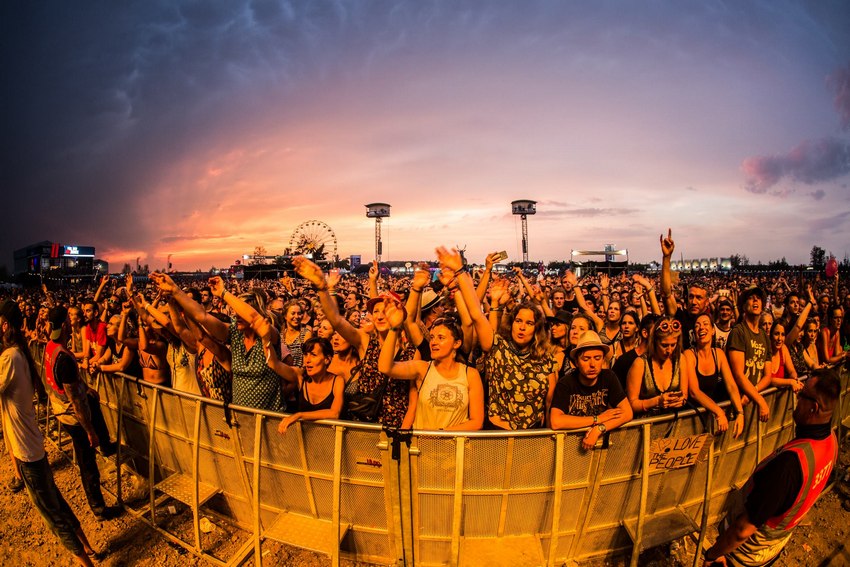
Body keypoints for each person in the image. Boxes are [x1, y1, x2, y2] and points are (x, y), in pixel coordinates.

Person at [702, 370, 840, 566]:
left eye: (802, 396)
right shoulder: (831, 443)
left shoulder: (790, 466)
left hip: (742, 554)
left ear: (814, 408)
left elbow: (743, 530)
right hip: (771, 550)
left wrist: (713, 554)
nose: (797, 397)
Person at [0, 300, 101, 566]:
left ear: (4, 324)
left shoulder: (10, 358)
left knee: (51, 513)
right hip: (32, 445)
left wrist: (90, 429)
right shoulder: (19, 353)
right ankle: (87, 548)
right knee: (56, 501)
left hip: (27, 450)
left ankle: (86, 561)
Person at [438, 246, 557, 430]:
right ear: (511, 324)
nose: (522, 327)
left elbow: (549, 405)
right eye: (518, 321)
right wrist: (460, 273)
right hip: (497, 433)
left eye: (529, 323)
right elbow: (476, 314)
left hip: (533, 435)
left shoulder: (545, 358)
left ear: (537, 329)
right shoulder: (498, 348)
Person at [43, 307, 120, 520]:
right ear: (66, 325)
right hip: (73, 417)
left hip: (60, 410)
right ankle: (99, 508)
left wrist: (85, 388)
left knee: (92, 399)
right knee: (88, 462)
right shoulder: (64, 358)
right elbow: (77, 403)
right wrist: (90, 431)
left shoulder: (50, 347)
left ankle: (106, 445)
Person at [378, 304, 484, 431]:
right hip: (422, 447)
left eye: (441, 338)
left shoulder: (470, 374)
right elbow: (385, 367)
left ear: (456, 343)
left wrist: (441, 434)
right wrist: (394, 328)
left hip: (455, 448)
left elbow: (477, 422)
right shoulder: (422, 369)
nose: (433, 342)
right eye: (432, 337)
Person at [549, 331, 633, 450]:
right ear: (577, 362)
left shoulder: (609, 377)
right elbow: (556, 421)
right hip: (569, 447)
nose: (592, 364)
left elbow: (627, 413)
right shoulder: (566, 383)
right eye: (586, 359)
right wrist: (597, 419)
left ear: (603, 360)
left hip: (597, 445)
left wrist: (599, 429)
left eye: (597, 358)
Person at [681, 313, 745, 438]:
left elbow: (731, 385)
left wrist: (740, 413)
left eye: (705, 324)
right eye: (697, 326)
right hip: (691, 422)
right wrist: (719, 412)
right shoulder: (689, 355)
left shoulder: (719, 354)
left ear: (713, 330)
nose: (701, 328)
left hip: (710, 419)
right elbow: (694, 391)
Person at [273, 338, 345, 433]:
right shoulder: (300, 378)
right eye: (306, 354)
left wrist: (299, 415)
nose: (307, 360)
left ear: (327, 359)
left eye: (313, 355)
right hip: (304, 442)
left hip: (328, 442)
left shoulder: (337, 381)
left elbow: (334, 413)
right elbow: (274, 364)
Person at [727, 287, 771, 423]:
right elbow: (738, 375)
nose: (755, 300)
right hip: (737, 403)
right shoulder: (738, 332)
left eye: (758, 298)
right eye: (751, 298)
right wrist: (760, 400)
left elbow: (768, 375)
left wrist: (753, 393)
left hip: (750, 399)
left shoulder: (764, 335)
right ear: (744, 306)